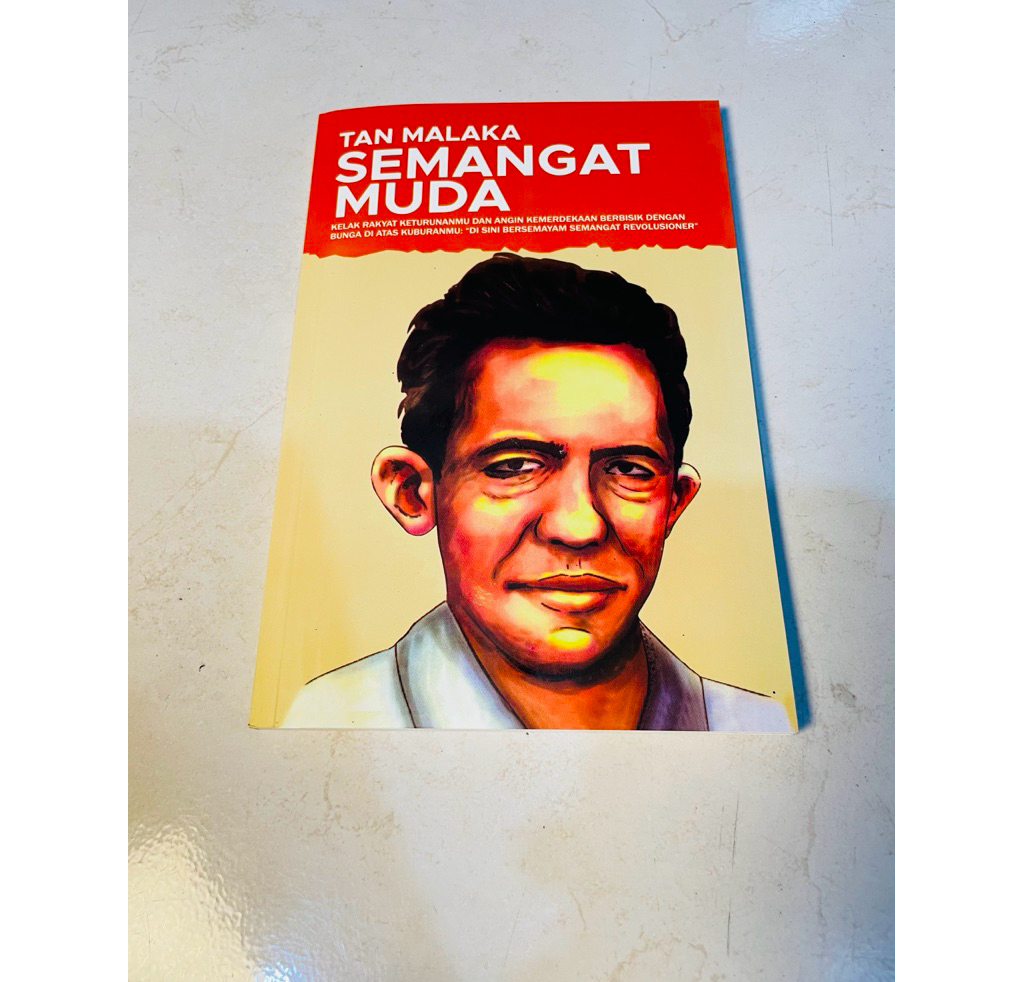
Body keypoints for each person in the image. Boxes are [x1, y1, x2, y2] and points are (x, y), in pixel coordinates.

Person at [283, 253, 790, 731]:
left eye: (628, 470)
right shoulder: (326, 721)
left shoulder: (757, 725)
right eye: (514, 467)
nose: (579, 526)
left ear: (674, 502)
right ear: (413, 492)